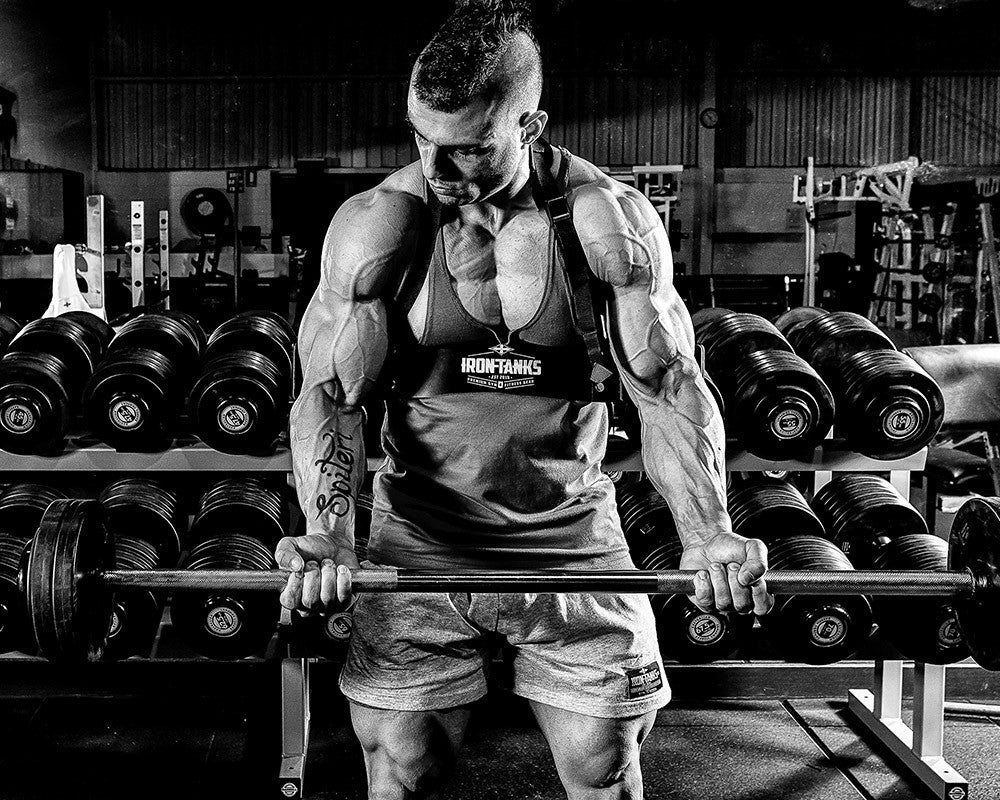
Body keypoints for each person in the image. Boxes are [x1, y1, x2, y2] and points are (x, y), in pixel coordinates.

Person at [277, 3, 773, 797]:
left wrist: (708, 533)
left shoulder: (604, 223)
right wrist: (331, 535)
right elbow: (331, 394)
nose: (439, 169)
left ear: (531, 125)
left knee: (603, 769)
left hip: (573, 541)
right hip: (420, 547)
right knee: (402, 770)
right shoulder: (380, 225)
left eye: (470, 147)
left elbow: (669, 387)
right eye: (423, 139)